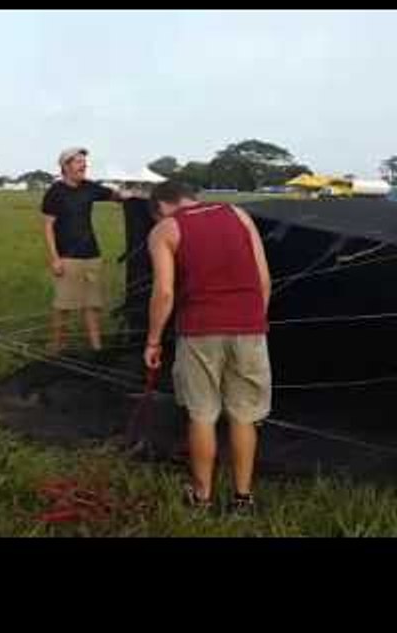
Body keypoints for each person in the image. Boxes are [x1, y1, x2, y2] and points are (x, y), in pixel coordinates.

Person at [145, 181, 271, 516]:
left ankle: (202, 498)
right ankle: (242, 499)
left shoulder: (164, 231)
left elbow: (165, 294)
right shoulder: (239, 214)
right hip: (249, 327)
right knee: (245, 415)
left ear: (160, 207)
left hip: (200, 330)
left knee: (202, 414)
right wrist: (255, 321)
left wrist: (153, 339)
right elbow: (263, 280)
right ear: (190, 197)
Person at [41, 147, 129, 356]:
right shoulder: (55, 192)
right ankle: (56, 347)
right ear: (66, 166)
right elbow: (47, 226)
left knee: (92, 305)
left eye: (84, 161)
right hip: (68, 258)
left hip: (92, 256)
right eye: (79, 161)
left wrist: (129, 194)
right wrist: (55, 259)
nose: (84, 165)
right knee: (63, 306)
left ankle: (96, 348)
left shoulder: (89, 188)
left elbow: (115, 196)